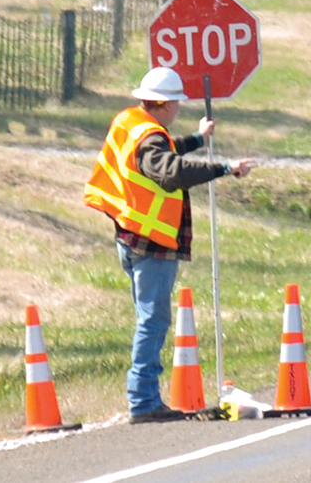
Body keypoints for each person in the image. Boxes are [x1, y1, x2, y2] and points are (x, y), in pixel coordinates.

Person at [83, 67, 257, 424]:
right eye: (175, 101)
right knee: (153, 321)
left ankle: (144, 398)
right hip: (151, 244)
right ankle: (144, 402)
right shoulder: (149, 135)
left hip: (129, 234)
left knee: (149, 319)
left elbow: (159, 152)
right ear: (163, 103)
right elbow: (169, 170)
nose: (177, 106)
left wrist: (196, 137)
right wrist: (225, 167)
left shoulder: (131, 122)